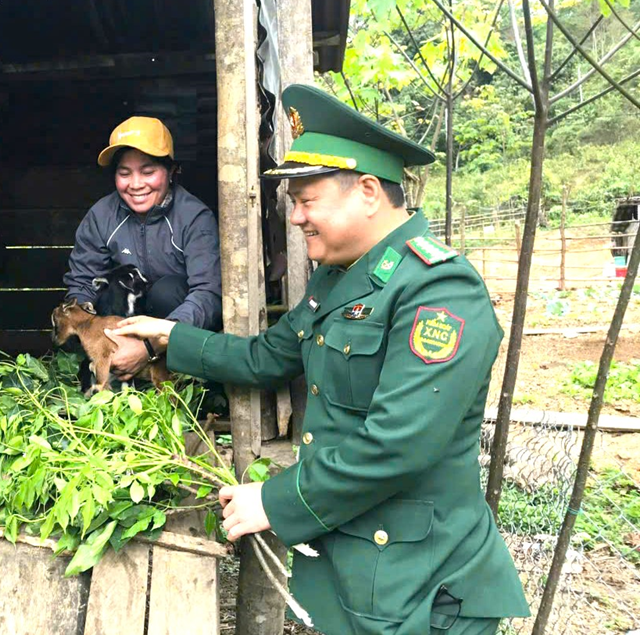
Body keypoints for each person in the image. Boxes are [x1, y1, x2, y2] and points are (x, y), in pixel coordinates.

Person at [112, 85, 530, 634]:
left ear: (367, 192)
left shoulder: (439, 291)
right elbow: (267, 356)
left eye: (308, 203)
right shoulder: (340, 277)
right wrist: (170, 335)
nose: (297, 219)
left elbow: (398, 445)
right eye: (294, 205)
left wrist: (276, 502)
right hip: (356, 564)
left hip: (419, 581)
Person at [63, 115, 222, 379]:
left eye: (148, 172)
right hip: (119, 330)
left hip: (174, 329)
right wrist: (93, 335)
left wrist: (150, 345)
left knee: (167, 290)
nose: (136, 184)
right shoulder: (101, 216)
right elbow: (82, 283)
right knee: (108, 289)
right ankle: (112, 376)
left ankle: (173, 377)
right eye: (124, 173)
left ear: (172, 172)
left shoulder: (194, 218)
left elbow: (208, 293)